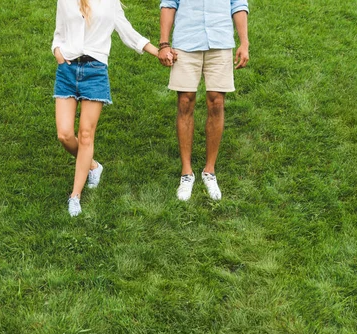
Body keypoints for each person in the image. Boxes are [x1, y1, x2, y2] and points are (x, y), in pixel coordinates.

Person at [52, 0, 160, 216]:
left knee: (85, 135)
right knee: (64, 135)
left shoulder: (110, 2)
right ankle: (92, 166)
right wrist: (58, 53)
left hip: (95, 72)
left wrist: (157, 52)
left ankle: (75, 196)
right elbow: (59, 33)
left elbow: (127, 32)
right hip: (67, 70)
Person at [158, 0, 249, 201]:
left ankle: (209, 170)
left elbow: (239, 5)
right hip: (186, 42)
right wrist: (164, 44)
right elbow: (168, 4)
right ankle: (186, 172)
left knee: (217, 103)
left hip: (220, 42)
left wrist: (244, 42)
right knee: (184, 102)